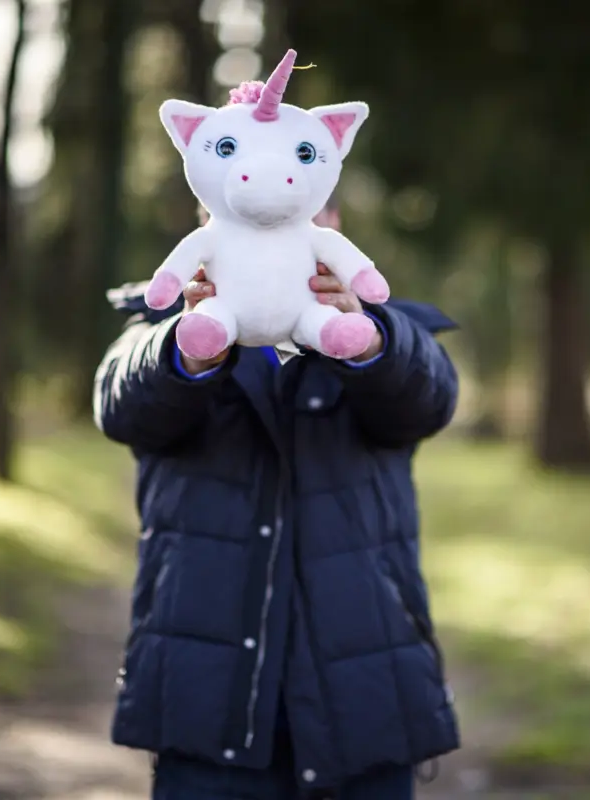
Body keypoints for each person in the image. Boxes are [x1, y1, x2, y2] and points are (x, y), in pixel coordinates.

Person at [94, 191, 461, 799]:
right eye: (247, 213)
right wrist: (187, 349)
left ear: (334, 226)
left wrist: (368, 341)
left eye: (299, 216)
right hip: (207, 703)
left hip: (364, 695)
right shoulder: (159, 327)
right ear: (206, 222)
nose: (273, 232)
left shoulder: (389, 329)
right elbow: (120, 407)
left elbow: (430, 400)